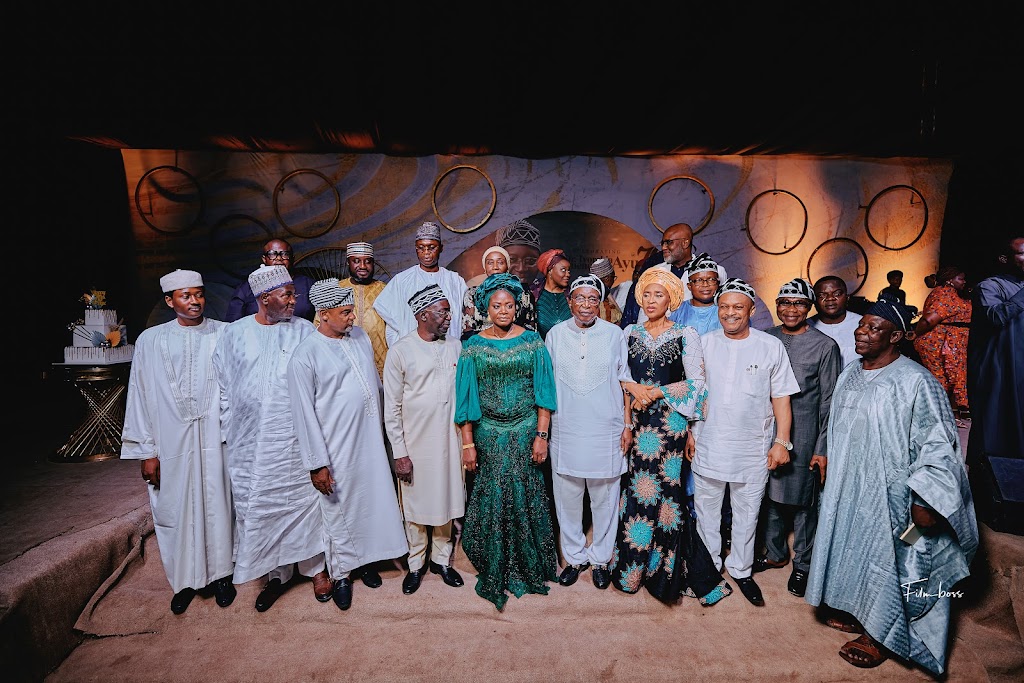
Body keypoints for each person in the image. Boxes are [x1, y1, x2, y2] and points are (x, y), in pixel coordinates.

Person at [806, 298, 978, 674]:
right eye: (861, 325)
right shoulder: (850, 372)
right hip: (851, 487)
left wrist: (926, 500)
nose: (861, 332)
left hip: (898, 496)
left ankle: (883, 635)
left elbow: (939, 445)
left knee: (898, 557)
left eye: (874, 328)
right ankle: (860, 611)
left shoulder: (917, 381)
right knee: (854, 549)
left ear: (896, 336)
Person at [611, 268, 731, 606]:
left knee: (667, 492)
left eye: (658, 295)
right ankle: (633, 569)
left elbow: (697, 383)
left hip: (671, 423)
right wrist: (628, 416)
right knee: (638, 491)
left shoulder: (685, 333)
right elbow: (620, 377)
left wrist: (656, 392)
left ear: (672, 300)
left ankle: (663, 571)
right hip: (639, 422)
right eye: (646, 295)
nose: (651, 301)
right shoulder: (629, 333)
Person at [287, 279, 409, 611]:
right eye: (345, 312)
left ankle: (366, 561)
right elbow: (303, 415)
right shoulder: (305, 355)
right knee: (338, 510)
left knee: (369, 502)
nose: (353, 316)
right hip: (335, 447)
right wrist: (317, 463)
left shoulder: (359, 337)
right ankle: (341, 574)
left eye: (352, 310)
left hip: (368, 439)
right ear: (323, 314)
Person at [212, 264, 328, 612]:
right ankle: (276, 574)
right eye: (287, 295)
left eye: (294, 293)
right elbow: (222, 383)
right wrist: (230, 426)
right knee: (262, 505)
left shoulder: (305, 331)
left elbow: (319, 382)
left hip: (293, 438)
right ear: (264, 298)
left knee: (304, 503)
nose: (295, 300)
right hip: (249, 442)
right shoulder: (233, 334)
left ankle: (316, 569)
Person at [121, 269, 236, 615]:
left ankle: (223, 576)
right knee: (175, 507)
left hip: (216, 437)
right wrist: (147, 451)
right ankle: (185, 581)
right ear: (170, 301)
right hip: (170, 442)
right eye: (186, 296)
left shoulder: (225, 333)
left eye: (199, 294)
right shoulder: (150, 341)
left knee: (220, 504)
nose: (195, 301)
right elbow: (139, 396)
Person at [689, 277, 800, 607]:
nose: (730, 313)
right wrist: (690, 433)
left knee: (748, 513)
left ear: (751, 311)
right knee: (706, 513)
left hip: (752, 447)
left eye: (738, 307)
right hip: (708, 441)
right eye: (724, 307)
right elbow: (692, 392)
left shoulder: (770, 346)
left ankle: (740, 568)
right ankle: (709, 567)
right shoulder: (703, 343)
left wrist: (782, 442)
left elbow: (781, 397)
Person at [454, 273, 558, 610]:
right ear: (486, 308)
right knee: (495, 494)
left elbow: (545, 393)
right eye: (497, 306)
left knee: (526, 494)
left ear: (517, 307)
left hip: (526, 430)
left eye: (509, 305)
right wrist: (468, 444)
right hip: (488, 433)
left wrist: (541, 436)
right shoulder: (472, 347)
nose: (503, 311)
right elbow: (466, 398)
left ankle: (529, 565)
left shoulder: (532, 342)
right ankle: (494, 561)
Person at [545, 275, 634, 590]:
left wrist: (627, 425)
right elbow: (546, 384)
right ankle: (574, 558)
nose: (586, 305)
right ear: (570, 301)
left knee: (605, 499)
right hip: (566, 428)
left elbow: (625, 381)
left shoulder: (614, 334)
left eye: (592, 299)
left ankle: (600, 559)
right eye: (580, 298)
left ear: (600, 303)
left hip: (606, 429)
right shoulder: (555, 335)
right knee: (567, 498)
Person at [756, 278, 842, 599]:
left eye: (799, 303)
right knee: (770, 493)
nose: (791, 309)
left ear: (809, 308)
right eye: (785, 303)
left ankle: (804, 564)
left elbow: (829, 401)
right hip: (766, 428)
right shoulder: (766, 337)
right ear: (777, 305)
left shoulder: (825, 346)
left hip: (805, 432)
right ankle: (776, 553)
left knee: (805, 501)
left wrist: (822, 447)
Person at [383, 284, 466, 595]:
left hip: (450, 441)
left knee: (446, 499)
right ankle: (416, 563)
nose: (449, 317)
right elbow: (391, 408)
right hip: (415, 444)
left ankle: (441, 561)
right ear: (422, 315)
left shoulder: (456, 346)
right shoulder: (401, 351)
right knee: (416, 505)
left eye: (448, 311)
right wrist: (400, 452)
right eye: (442, 312)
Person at [966, 234, 1024, 465]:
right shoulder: (988, 286)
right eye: (1023, 253)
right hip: (1001, 369)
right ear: (1004, 258)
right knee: (998, 425)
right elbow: (995, 316)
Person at [373, 221, 468, 347]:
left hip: (448, 349)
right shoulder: (402, 280)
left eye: (432, 247)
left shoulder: (455, 281)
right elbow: (385, 310)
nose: (426, 252)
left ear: (441, 248)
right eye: (421, 248)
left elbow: (465, 314)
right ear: (416, 248)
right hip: (414, 350)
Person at [913, 264, 972, 419]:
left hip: (951, 341)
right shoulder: (945, 293)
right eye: (961, 279)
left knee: (950, 379)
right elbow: (928, 320)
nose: (964, 281)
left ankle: (948, 415)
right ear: (950, 280)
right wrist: (914, 334)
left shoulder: (952, 293)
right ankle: (935, 416)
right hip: (937, 342)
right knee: (940, 380)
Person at [225, 238, 315, 322]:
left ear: (292, 259)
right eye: (272, 254)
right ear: (264, 259)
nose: (279, 258)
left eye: (285, 254)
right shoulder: (247, 287)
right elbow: (233, 322)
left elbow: (319, 319)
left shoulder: (308, 284)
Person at [462, 244, 537, 339]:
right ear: (485, 267)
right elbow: (468, 331)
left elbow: (531, 327)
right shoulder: (472, 293)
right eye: (490, 263)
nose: (495, 267)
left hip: (516, 343)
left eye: (500, 262)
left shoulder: (522, 292)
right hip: (483, 344)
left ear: (507, 266)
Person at [338, 241, 388, 380]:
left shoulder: (385, 290)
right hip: (345, 363)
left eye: (368, 261)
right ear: (348, 263)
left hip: (380, 363)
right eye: (356, 261)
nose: (362, 266)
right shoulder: (337, 290)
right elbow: (320, 326)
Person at [809, 275, 862, 369]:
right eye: (822, 295)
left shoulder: (862, 324)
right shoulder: (806, 327)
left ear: (847, 297)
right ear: (814, 301)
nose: (830, 298)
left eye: (837, 294)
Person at [669, 252, 726, 335]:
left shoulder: (727, 309)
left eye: (711, 279)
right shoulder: (678, 311)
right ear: (689, 286)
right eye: (699, 280)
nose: (705, 284)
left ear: (718, 283)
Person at [533, 248, 573, 339]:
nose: (568, 274)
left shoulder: (572, 295)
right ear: (550, 271)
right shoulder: (534, 294)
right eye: (563, 270)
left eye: (569, 271)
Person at [495, 218, 543, 290]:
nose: (521, 269)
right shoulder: (482, 293)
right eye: (512, 260)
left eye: (530, 261)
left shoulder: (546, 293)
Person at [588, 257, 622, 325]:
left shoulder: (591, 295)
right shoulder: (602, 300)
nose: (613, 281)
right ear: (607, 279)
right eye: (613, 277)